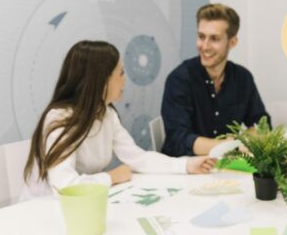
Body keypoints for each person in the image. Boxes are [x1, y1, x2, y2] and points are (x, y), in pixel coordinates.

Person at [23, 40, 215, 197]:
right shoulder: (60, 118)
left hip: (85, 206)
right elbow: (65, 187)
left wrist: (186, 164)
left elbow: (138, 158)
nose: (125, 79)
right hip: (45, 211)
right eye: (120, 73)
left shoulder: (106, 114)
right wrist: (111, 177)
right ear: (100, 80)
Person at [160, 3, 270, 156]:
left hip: (227, 168)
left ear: (232, 42)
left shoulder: (242, 78)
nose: (205, 46)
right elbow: (178, 140)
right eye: (201, 37)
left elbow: (261, 122)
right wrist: (230, 146)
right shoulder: (179, 80)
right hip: (185, 170)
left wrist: (250, 137)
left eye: (214, 39)